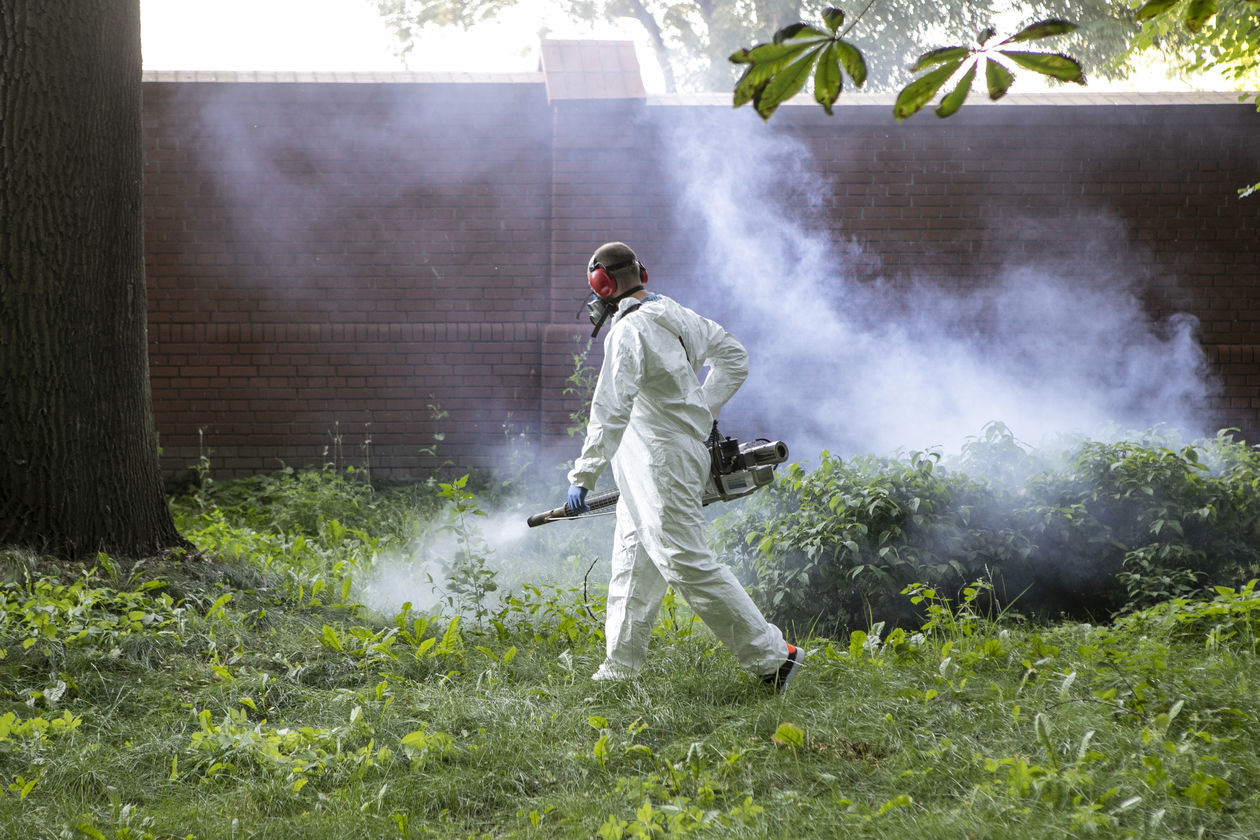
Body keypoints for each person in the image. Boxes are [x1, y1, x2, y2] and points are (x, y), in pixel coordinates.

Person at [564, 241, 802, 691]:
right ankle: (620, 666)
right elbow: (734, 356)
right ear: (642, 274)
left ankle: (775, 658)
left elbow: (610, 408)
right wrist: (702, 410)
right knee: (633, 564)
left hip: (661, 462)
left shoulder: (629, 332)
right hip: (657, 459)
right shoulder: (675, 313)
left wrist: (583, 476)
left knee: (686, 561)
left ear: (602, 284)